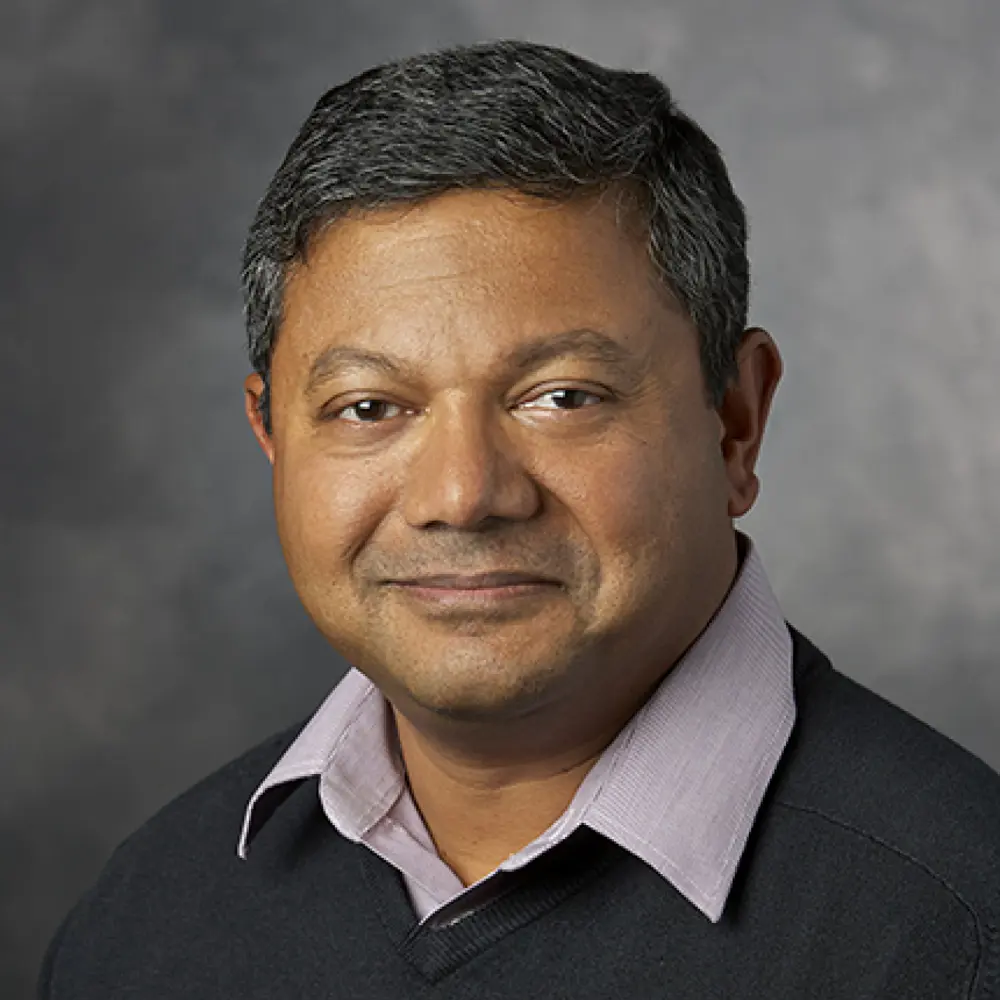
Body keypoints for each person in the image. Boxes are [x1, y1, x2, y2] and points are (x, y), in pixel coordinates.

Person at [39, 39, 1000, 999]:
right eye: (369, 408)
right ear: (274, 439)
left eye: (563, 397)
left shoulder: (959, 932)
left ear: (735, 423)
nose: (462, 496)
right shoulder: (144, 918)